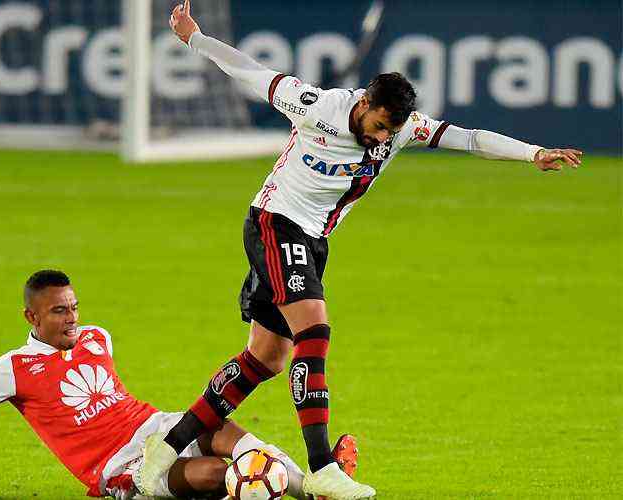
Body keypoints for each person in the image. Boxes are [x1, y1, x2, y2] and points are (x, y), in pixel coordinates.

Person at [137, 2, 584, 499]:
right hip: (274, 223)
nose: (382, 138)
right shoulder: (315, 105)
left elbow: (469, 138)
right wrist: (194, 37)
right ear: (365, 102)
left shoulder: (401, 130)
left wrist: (533, 153)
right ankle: (323, 466)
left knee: (266, 358)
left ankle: (166, 447)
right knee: (315, 329)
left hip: (312, 240)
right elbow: (250, 71)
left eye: (392, 131)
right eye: (379, 126)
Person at [0, 270, 330, 499]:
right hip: (115, 465)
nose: (71, 317)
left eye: (73, 307)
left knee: (225, 430)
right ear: (31, 318)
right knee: (216, 474)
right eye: (58, 311)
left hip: (154, 426)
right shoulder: (11, 369)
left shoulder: (97, 336)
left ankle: (311, 490)